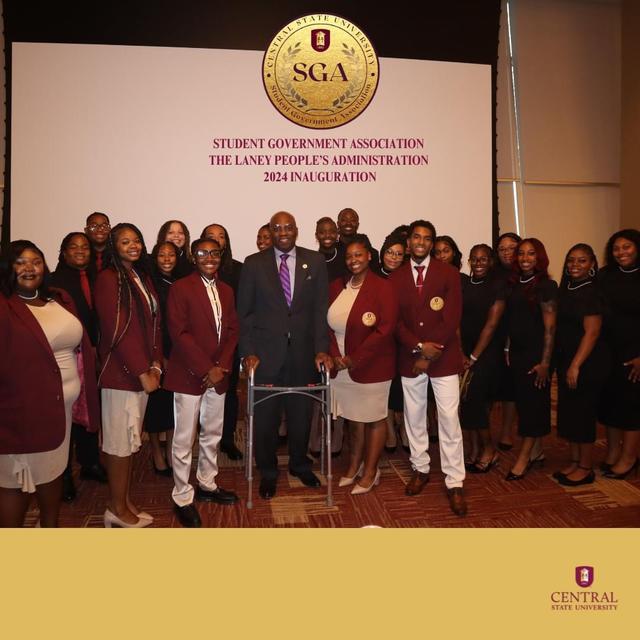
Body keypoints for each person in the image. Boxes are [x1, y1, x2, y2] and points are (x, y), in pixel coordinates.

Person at [0, 241, 99, 527]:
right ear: (8, 268)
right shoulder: (5, 306)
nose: (30, 268)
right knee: (13, 484)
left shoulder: (58, 299)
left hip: (60, 412)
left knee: (53, 474)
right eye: (20, 262)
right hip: (20, 413)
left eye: (36, 261)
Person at [237, 211, 332, 499]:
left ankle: (299, 465)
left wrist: (321, 349)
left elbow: (319, 311)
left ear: (296, 230)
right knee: (265, 419)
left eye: (288, 227)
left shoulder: (314, 261)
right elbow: (245, 314)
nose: (283, 232)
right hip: (265, 356)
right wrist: (248, 353)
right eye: (276, 228)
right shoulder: (254, 264)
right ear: (270, 230)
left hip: (303, 354)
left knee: (301, 415)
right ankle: (267, 471)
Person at [390, 220, 467, 516]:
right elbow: (395, 322)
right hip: (411, 357)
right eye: (417, 237)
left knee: (449, 417)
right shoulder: (395, 278)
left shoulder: (448, 273)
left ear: (432, 243)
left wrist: (431, 350)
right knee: (414, 416)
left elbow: (452, 317)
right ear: (409, 242)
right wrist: (419, 348)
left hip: (444, 357)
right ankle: (420, 468)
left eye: (427, 238)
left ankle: (455, 480)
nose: (421, 242)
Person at [164, 238, 239, 527]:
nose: (209, 257)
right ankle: (182, 495)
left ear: (221, 256)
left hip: (218, 374)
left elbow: (233, 330)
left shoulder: (227, 290)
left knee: (213, 432)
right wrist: (207, 367)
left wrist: (221, 367)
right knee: (184, 439)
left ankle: (207, 483)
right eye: (202, 253)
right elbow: (179, 333)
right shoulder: (180, 288)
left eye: (214, 253)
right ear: (193, 258)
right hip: (189, 374)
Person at [94, 223, 162, 527]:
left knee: (130, 442)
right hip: (123, 376)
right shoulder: (109, 279)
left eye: (136, 240)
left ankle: (124, 502)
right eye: (124, 241)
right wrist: (140, 371)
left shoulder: (140, 276)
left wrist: (157, 364)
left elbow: (154, 324)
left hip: (143, 372)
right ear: (113, 246)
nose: (132, 245)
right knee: (119, 446)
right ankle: (116, 509)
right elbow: (116, 331)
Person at [328, 236, 398, 494]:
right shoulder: (337, 286)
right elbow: (326, 326)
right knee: (353, 418)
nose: (353, 260)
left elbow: (385, 329)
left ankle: (371, 472)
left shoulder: (383, 287)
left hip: (372, 365)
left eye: (359, 255)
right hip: (341, 365)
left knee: (374, 419)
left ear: (369, 256)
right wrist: (336, 356)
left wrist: (352, 359)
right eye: (349, 256)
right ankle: (354, 465)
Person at [49, 232, 107, 501]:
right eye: (74, 247)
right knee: (66, 416)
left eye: (85, 247)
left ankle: (89, 463)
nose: (81, 251)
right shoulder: (53, 282)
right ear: (63, 252)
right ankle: (62, 475)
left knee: (90, 409)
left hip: (95, 354)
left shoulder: (98, 277)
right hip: (67, 357)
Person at [553, 243, 610, 486]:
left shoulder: (592, 292)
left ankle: (586, 468)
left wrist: (576, 365)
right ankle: (575, 461)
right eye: (571, 260)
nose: (575, 265)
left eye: (582, 261)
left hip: (587, 363)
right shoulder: (567, 288)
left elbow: (592, 332)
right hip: (568, 360)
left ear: (592, 265)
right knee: (570, 413)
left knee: (583, 414)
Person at [504, 238, 557, 480]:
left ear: (540, 257)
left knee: (533, 405)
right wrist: (507, 348)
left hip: (537, 355)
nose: (525, 258)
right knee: (526, 405)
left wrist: (545, 362)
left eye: (531, 254)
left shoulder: (546, 286)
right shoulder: (515, 284)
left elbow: (550, 328)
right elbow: (512, 320)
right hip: (517, 353)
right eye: (521, 254)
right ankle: (536, 451)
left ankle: (523, 458)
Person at [598, 229, 640, 479]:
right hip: (608, 350)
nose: (621, 252)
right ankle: (612, 453)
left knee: (632, 407)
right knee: (610, 403)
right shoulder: (605, 275)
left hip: (635, 353)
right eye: (616, 248)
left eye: (627, 247)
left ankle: (629, 457)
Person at [459, 244, 505, 473]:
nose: (478, 263)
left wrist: (474, 356)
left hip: (486, 354)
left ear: (491, 261)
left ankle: (489, 450)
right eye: (474, 259)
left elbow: (492, 324)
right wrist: (461, 353)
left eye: (483, 259)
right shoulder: (466, 285)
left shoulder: (497, 286)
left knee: (476, 403)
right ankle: (474, 450)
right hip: (465, 353)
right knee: (467, 405)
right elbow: (457, 320)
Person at [201, 223, 243, 460]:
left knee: (228, 392)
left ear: (226, 242)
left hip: (229, 345)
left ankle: (227, 439)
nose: (216, 240)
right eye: (210, 236)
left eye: (221, 236)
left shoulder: (238, 270)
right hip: (201, 347)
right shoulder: (193, 271)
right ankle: (204, 438)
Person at [144, 241, 179, 476]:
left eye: (171, 255)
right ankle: (157, 452)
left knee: (174, 407)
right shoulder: (149, 283)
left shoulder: (183, 280)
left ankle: (171, 452)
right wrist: (159, 356)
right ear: (155, 258)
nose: (167, 259)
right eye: (161, 255)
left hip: (178, 352)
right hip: (155, 351)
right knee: (156, 407)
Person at [379, 233, 410, 453]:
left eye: (399, 254)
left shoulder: (409, 277)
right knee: (385, 389)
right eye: (390, 252)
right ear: (382, 253)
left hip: (405, 340)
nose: (393, 257)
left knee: (405, 388)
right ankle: (390, 431)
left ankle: (405, 431)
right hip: (381, 341)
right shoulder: (371, 275)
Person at [493, 232, 522, 451]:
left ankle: (506, 432)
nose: (507, 252)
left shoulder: (526, 274)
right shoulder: (492, 273)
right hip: (492, 335)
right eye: (502, 248)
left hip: (517, 338)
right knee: (492, 386)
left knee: (512, 388)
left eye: (511, 247)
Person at [336, 208, 380, 272]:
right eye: (344, 220)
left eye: (353, 221)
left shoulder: (372, 253)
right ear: (338, 224)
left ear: (358, 224)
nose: (348, 223)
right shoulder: (332, 253)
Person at [316, 216, 347, 281]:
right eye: (322, 232)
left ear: (337, 233)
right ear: (316, 235)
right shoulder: (313, 261)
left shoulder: (346, 255)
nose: (327, 235)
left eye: (332, 232)